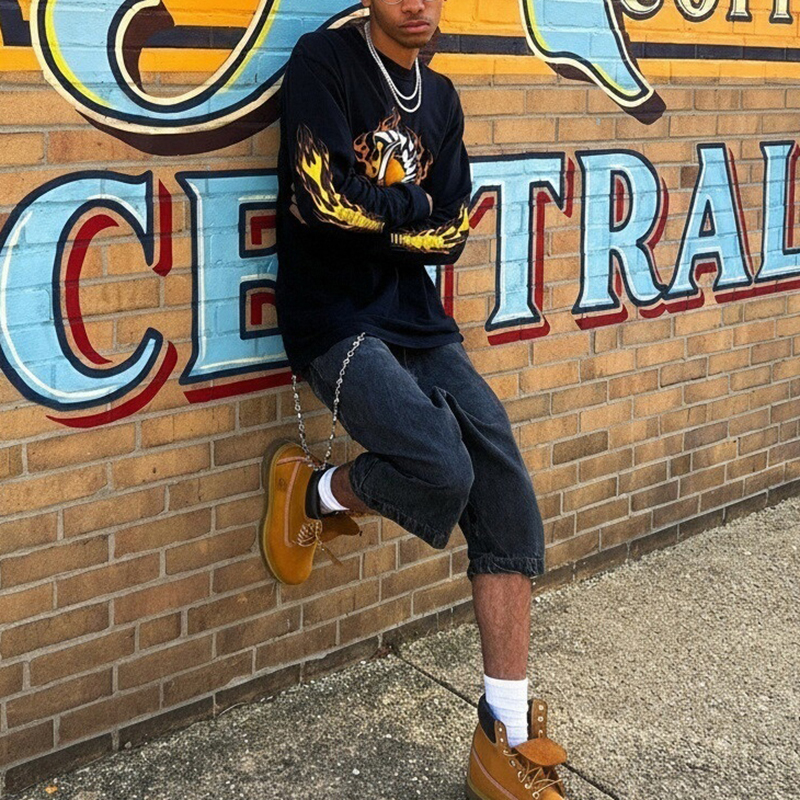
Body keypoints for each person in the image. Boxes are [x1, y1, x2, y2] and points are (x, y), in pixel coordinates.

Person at [262, 1, 570, 797]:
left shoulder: (442, 97)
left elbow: (452, 233)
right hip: (332, 318)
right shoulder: (324, 62)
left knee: (505, 490)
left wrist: (381, 210)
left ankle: (503, 735)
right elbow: (322, 199)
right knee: (441, 466)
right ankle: (316, 492)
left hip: (418, 320)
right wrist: (411, 207)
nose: (420, 3)